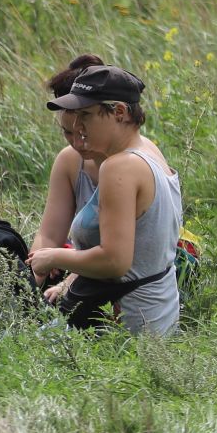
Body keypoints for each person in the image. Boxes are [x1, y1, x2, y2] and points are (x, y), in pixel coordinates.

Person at [28, 66, 182, 335]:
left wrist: (52, 257)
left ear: (119, 113)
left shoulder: (119, 167)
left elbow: (114, 262)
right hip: (158, 321)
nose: (77, 126)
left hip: (126, 333)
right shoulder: (147, 150)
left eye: (86, 115)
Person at [31, 54, 106, 295]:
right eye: (67, 133)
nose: (77, 143)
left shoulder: (125, 165)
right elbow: (49, 233)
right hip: (78, 264)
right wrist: (33, 275)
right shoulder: (69, 160)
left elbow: (117, 253)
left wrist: (67, 282)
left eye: (83, 133)